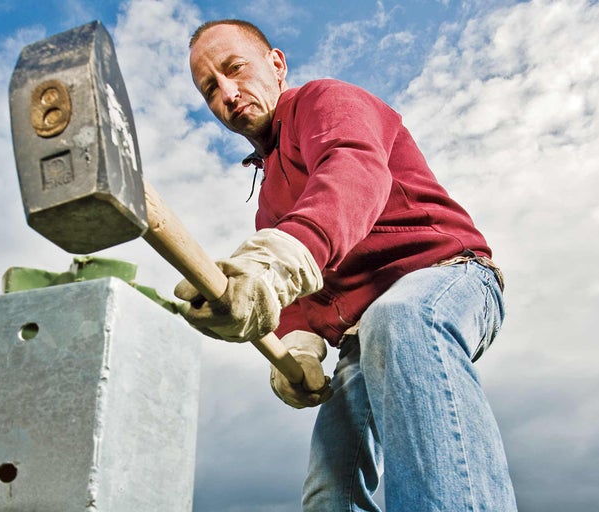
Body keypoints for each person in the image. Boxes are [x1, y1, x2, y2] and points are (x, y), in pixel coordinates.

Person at [176, 19, 517, 511]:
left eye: (234, 69)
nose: (227, 93)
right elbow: (304, 295)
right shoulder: (268, 204)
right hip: (363, 335)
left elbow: (352, 169)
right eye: (211, 88)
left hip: (449, 278)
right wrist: (298, 350)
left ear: (276, 65)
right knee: (329, 487)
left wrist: (278, 260)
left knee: (399, 319)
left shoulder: (327, 101)